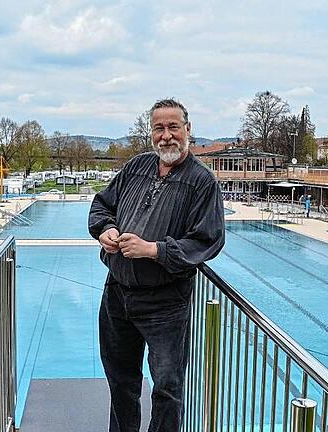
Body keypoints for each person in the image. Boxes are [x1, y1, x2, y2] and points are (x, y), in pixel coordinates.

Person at [88, 98, 225, 432]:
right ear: (151, 132)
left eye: (173, 127)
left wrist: (154, 250)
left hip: (165, 303)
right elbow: (101, 206)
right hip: (118, 296)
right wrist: (106, 230)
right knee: (121, 381)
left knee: (167, 387)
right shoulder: (135, 167)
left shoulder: (202, 183)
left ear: (188, 130)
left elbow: (208, 240)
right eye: (159, 128)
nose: (166, 136)